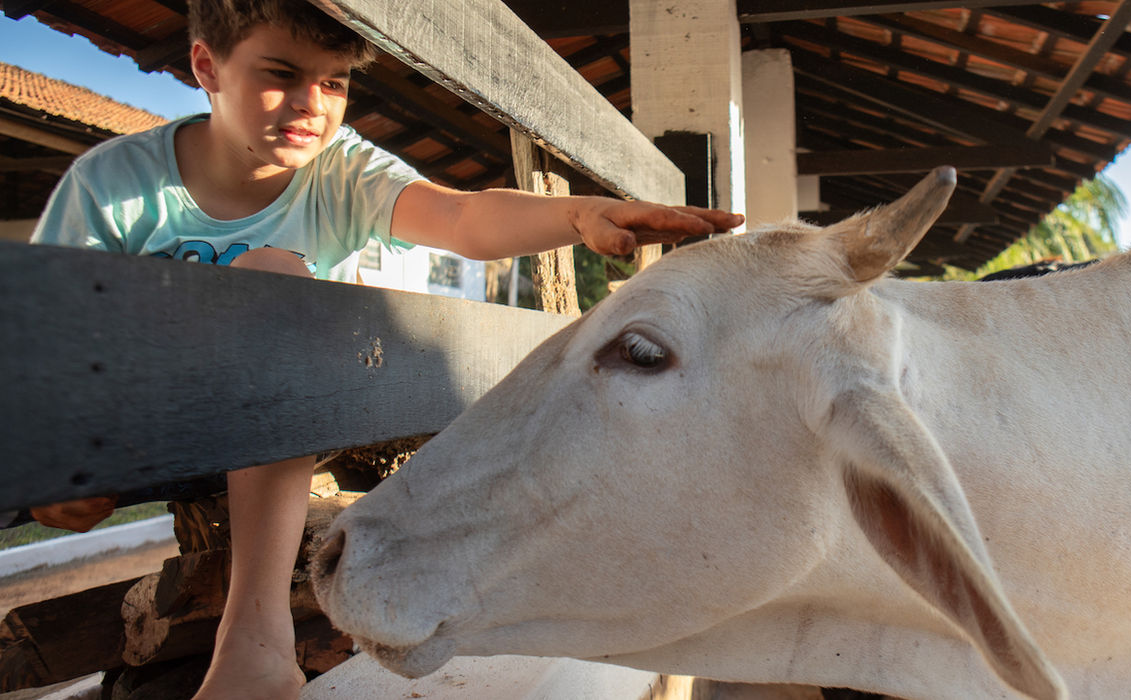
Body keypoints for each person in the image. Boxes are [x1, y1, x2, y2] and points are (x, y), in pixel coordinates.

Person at [27, 1, 742, 698]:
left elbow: (460, 214)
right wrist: (63, 454)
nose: (313, 104)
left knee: (272, 279)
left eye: (334, 82)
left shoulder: (337, 170)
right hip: (155, 411)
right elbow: (54, 339)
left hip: (279, 413)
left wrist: (578, 214)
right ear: (207, 67)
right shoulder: (112, 186)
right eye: (281, 73)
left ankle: (257, 642)